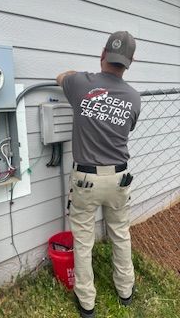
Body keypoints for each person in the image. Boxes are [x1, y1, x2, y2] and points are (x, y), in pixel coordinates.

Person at [56, 31, 141, 318]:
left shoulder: (81, 83)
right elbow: (127, 128)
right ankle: (126, 290)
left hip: (86, 180)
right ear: (130, 62)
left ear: (103, 54)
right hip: (119, 178)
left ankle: (87, 303)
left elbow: (61, 77)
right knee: (120, 234)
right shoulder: (133, 97)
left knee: (83, 240)